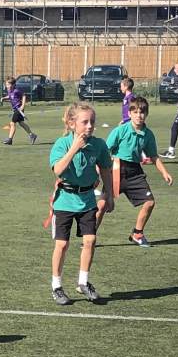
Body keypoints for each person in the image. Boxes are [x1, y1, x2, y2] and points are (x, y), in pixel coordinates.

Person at [49, 103, 112, 305]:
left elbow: (105, 169)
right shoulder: (62, 144)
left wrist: (109, 195)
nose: (90, 126)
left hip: (87, 200)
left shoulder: (99, 145)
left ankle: (83, 282)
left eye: (92, 121)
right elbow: (58, 170)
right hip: (65, 201)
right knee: (62, 244)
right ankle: (56, 286)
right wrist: (75, 148)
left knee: (90, 240)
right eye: (85, 122)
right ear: (72, 123)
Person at [104, 96, 174, 247]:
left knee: (149, 202)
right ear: (129, 113)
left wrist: (164, 172)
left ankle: (137, 233)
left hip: (135, 172)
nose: (139, 115)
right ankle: (89, 235)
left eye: (142, 112)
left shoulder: (148, 134)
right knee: (103, 204)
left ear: (146, 114)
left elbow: (153, 156)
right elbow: (104, 151)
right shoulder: (120, 130)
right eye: (135, 112)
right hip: (117, 169)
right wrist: (101, 169)